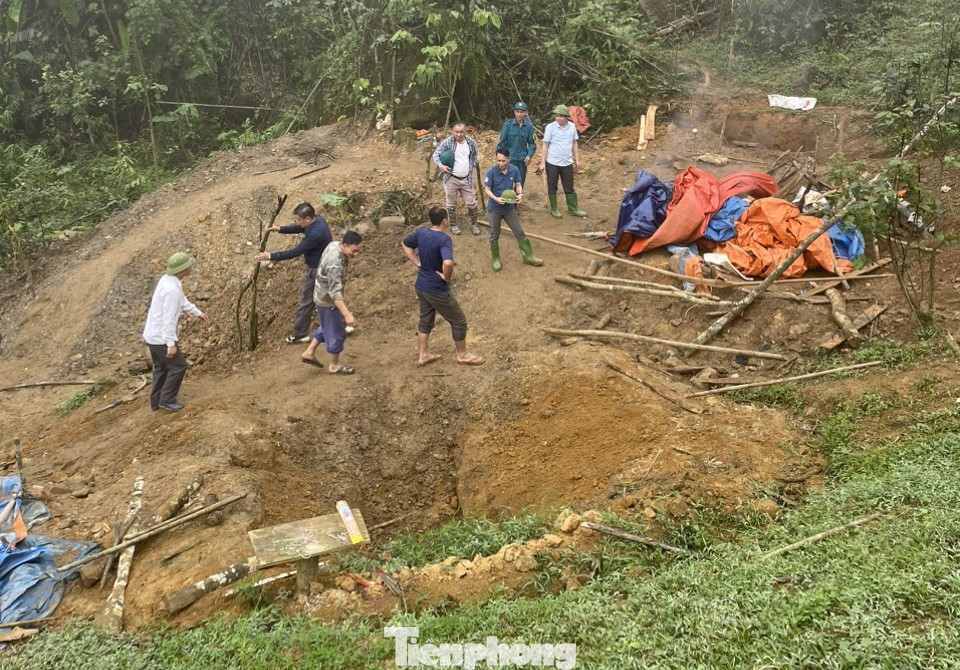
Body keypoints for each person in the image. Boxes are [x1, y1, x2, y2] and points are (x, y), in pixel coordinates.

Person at [402, 206, 484, 367]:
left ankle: (423, 355)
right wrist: (446, 277)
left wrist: (418, 263)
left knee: (425, 321)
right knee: (459, 321)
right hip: (436, 289)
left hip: (421, 285)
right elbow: (448, 263)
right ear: (445, 221)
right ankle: (462, 355)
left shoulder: (421, 232)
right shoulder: (444, 240)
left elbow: (405, 244)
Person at [254, 202, 332, 343]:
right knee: (326, 299)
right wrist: (279, 229)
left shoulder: (315, 234)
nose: (297, 222)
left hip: (317, 270)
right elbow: (299, 227)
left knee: (306, 301)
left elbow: (295, 251)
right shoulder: (317, 220)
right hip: (323, 266)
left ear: (308, 219)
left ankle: (300, 334)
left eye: (299, 220)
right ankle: (341, 325)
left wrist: (270, 256)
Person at [142, 252, 208, 412]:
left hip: (153, 336)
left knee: (161, 368)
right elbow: (169, 319)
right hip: (161, 338)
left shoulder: (168, 281)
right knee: (179, 366)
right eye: (189, 266)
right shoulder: (171, 289)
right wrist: (170, 344)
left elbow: (183, 302)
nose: (191, 267)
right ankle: (167, 399)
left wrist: (197, 313)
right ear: (183, 269)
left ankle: (156, 400)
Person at [301, 230, 363, 375]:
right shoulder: (335, 264)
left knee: (327, 325)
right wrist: (347, 314)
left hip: (320, 294)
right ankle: (334, 366)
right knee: (337, 332)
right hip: (327, 301)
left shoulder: (334, 244)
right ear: (345, 246)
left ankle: (309, 352)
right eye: (353, 251)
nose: (355, 254)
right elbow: (335, 293)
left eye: (358, 251)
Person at [483, 149, 543, 271]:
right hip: (494, 209)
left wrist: (520, 194)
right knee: (494, 234)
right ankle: (496, 258)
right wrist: (496, 199)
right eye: (498, 160)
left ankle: (528, 256)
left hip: (509, 208)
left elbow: (518, 184)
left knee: (519, 231)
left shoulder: (514, 170)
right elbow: (487, 189)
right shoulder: (491, 172)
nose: (501, 163)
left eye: (503, 160)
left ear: (509, 159)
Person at [432, 121, 481, 236]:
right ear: (452, 131)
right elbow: (436, 154)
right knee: (451, 203)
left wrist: (473, 164)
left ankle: (474, 224)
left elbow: (475, 154)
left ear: (465, 131)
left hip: (466, 178)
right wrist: (440, 166)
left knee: (471, 203)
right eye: (456, 132)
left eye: (461, 132)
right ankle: (453, 225)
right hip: (451, 178)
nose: (459, 134)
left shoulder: (471, 142)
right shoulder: (447, 142)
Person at [539, 104, 587, 219]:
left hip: (567, 162)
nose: (558, 118)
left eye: (561, 116)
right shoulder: (550, 127)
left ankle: (573, 208)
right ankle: (554, 208)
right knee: (552, 186)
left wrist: (577, 160)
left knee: (569, 186)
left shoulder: (571, 127)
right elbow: (545, 145)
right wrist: (542, 162)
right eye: (556, 116)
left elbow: (574, 143)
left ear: (566, 117)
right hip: (552, 162)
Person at [496, 101, 537, 187]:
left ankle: (518, 200)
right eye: (517, 111)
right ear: (514, 112)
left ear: (525, 113)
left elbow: (532, 144)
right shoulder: (508, 125)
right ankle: (507, 200)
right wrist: (502, 158)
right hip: (510, 160)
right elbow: (501, 143)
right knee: (507, 184)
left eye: (521, 112)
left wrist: (529, 156)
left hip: (522, 161)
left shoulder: (529, 127)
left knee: (520, 184)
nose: (519, 114)